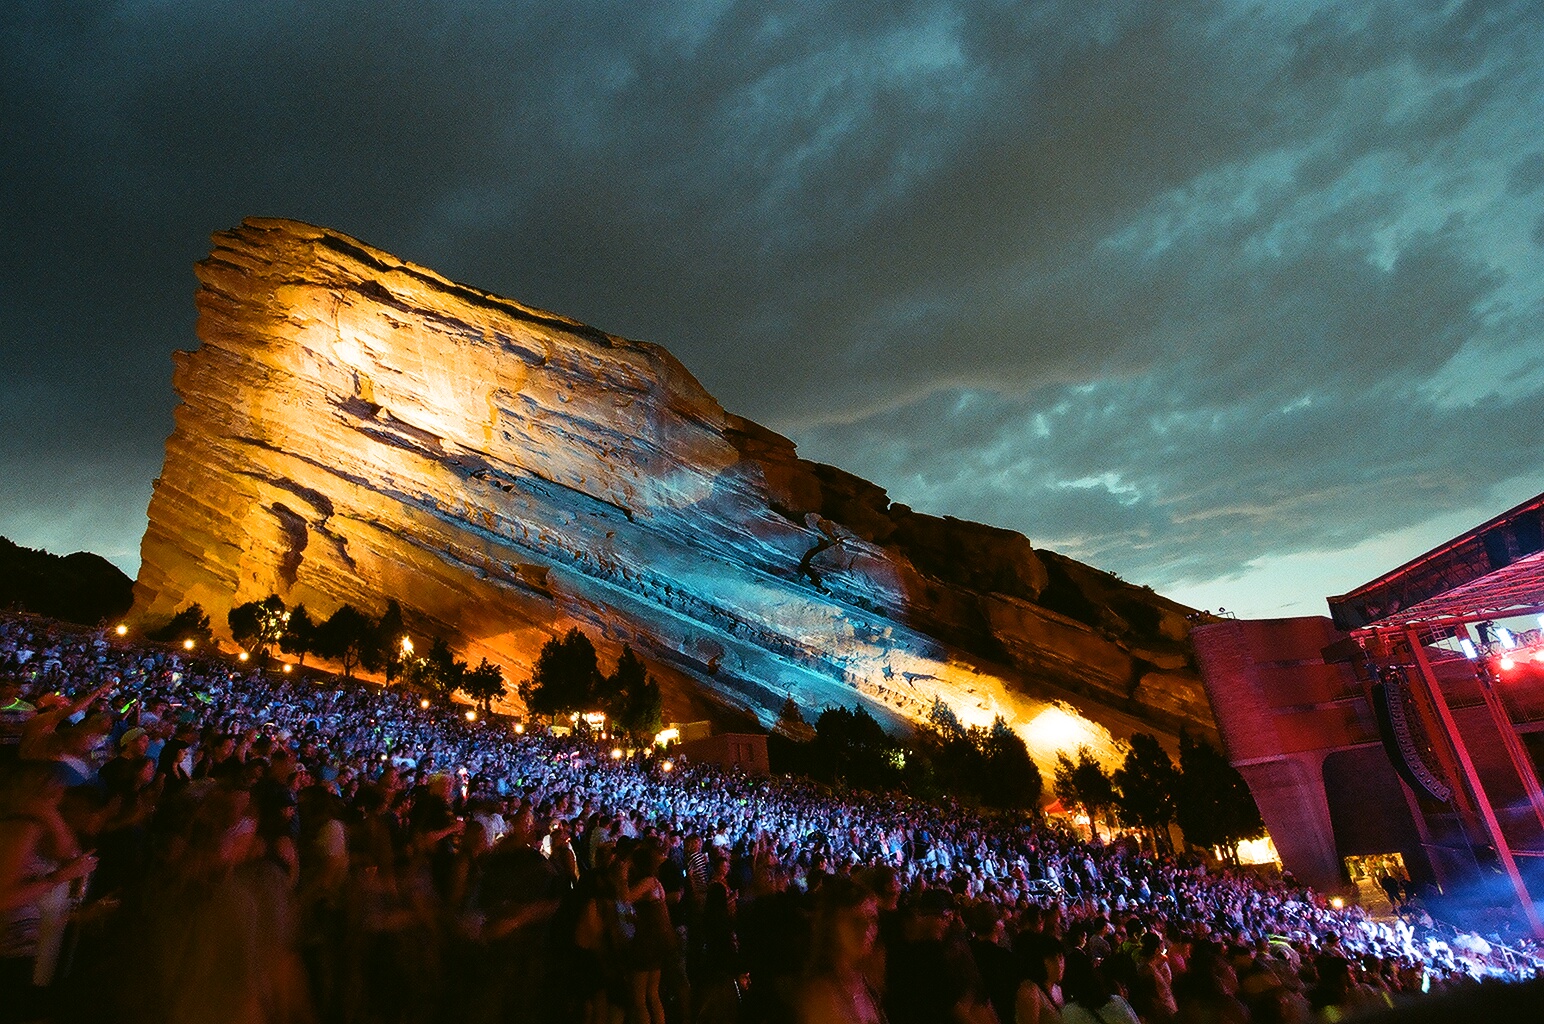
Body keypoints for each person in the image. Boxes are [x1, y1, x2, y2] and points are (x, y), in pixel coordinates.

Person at [797, 875, 886, 1023]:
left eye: (872, 919)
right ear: (831, 925)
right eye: (856, 921)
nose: (867, 929)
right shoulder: (821, 993)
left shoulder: (866, 982)